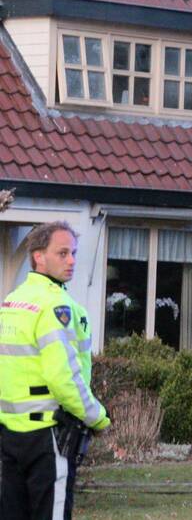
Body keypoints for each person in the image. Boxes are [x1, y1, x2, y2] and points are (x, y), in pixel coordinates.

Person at [0, 221, 110, 519]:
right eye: (62, 253)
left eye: (73, 252)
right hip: (50, 437)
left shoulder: (11, 302)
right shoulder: (57, 307)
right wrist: (98, 418)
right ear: (38, 256)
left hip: (10, 435)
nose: (72, 260)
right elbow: (64, 379)